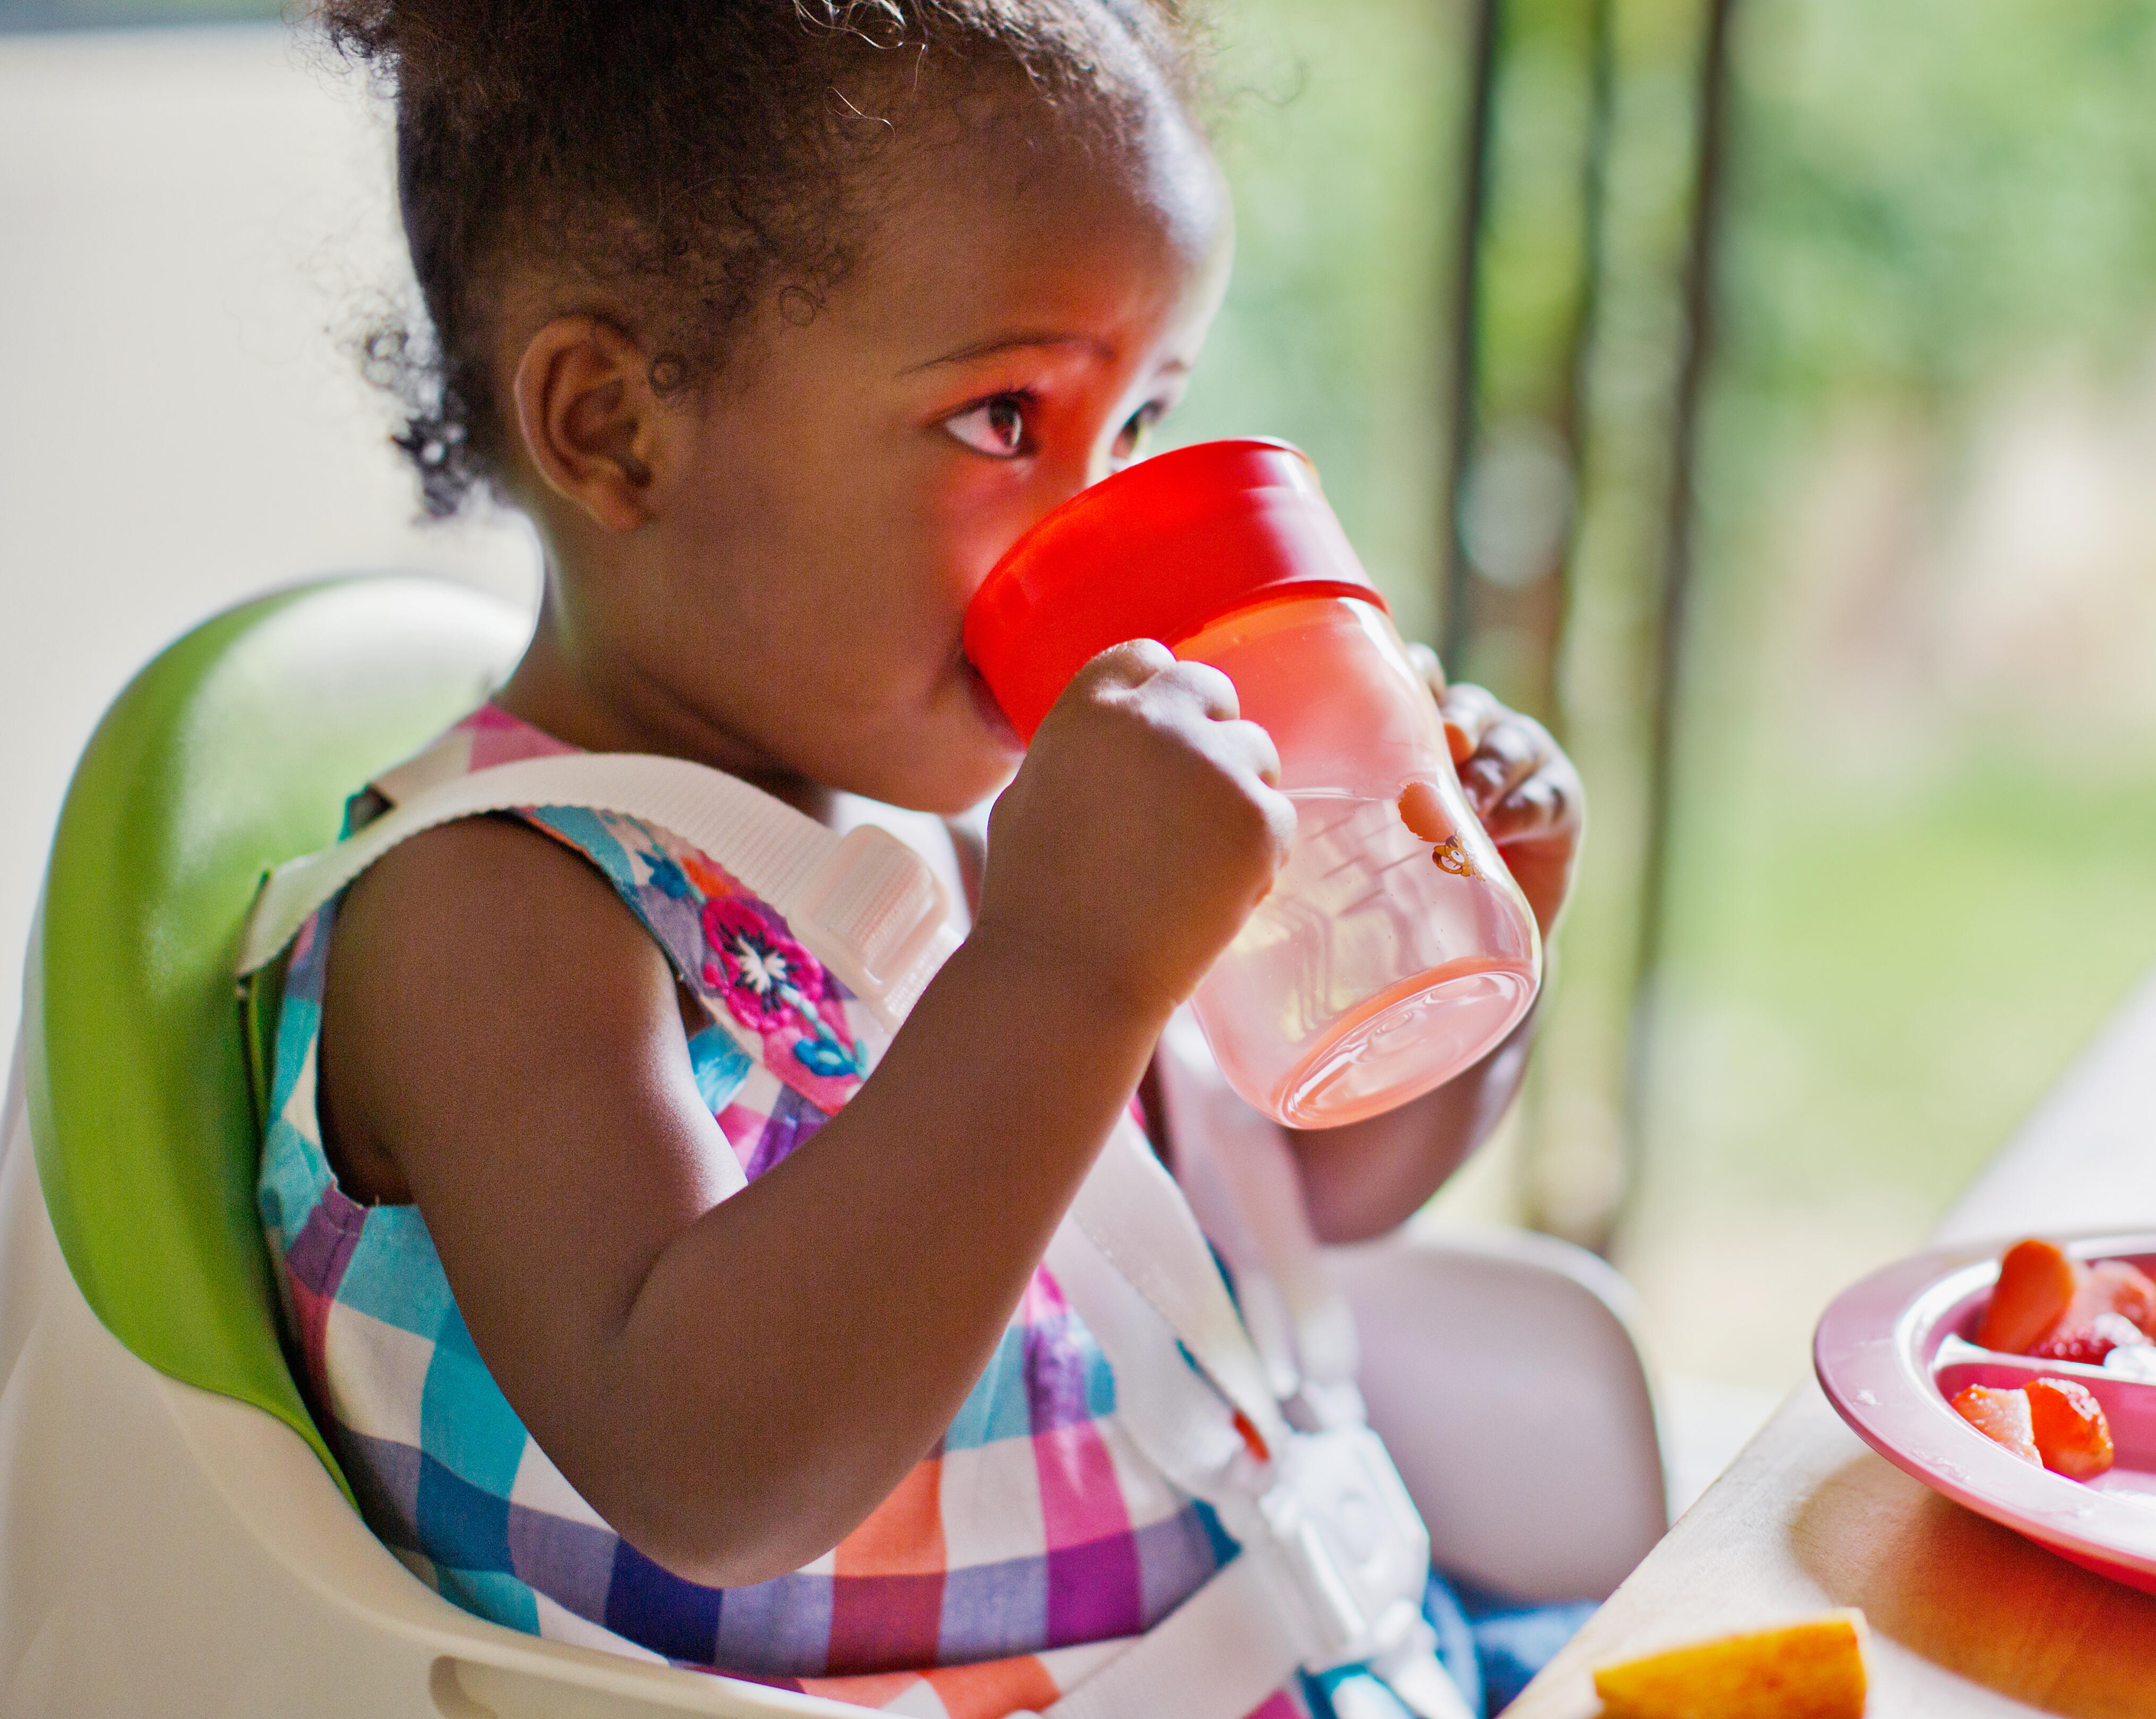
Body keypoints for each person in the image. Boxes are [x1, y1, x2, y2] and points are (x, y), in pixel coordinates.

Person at [254, 4, 1589, 1715]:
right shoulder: (496, 913)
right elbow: (717, 1471)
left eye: (1144, 414)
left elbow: (1303, 1196)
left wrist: (1452, 927)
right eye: (1001, 421)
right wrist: (1066, 969)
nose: (1100, 518)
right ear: (614, 429)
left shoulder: (970, 824)